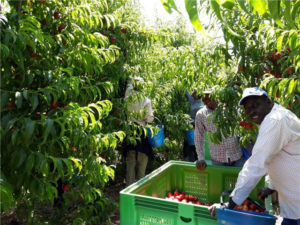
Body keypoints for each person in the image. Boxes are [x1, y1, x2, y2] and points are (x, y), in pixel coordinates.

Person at [209, 87, 300, 225]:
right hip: (292, 201)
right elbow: (279, 157)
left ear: (269, 102)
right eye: (247, 109)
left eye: (255, 105)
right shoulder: (274, 117)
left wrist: (231, 203)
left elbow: (256, 165)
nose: (251, 112)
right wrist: (271, 187)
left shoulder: (275, 120)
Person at [195, 87, 245, 170]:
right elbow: (198, 137)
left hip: (237, 155)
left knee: (240, 182)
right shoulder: (201, 114)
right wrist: (201, 158)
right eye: (203, 96)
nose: (205, 99)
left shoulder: (229, 109)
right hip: (218, 159)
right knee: (219, 182)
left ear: (216, 95)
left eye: (208, 96)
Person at [123, 77, 154, 187]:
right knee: (142, 158)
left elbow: (129, 84)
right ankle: (140, 186)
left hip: (130, 130)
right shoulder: (146, 100)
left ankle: (129, 186)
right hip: (141, 131)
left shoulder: (128, 94)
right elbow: (149, 119)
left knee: (131, 160)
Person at [183, 88, 204, 162]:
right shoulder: (193, 102)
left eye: (193, 92)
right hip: (191, 129)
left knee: (194, 148)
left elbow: (200, 120)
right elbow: (187, 94)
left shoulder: (200, 105)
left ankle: (195, 161)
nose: (191, 93)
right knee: (189, 146)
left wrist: (191, 120)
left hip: (196, 130)